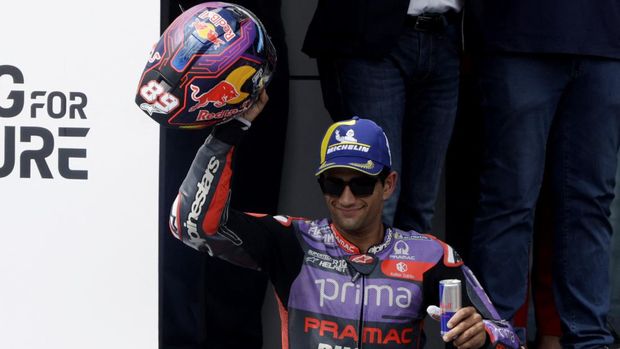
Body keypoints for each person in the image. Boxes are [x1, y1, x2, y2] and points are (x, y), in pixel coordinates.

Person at [168, 91, 519, 349]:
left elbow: (509, 340)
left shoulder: (431, 258)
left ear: (388, 185)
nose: (346, 198)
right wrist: (230, 131)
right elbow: (191, 226)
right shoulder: (293, 242)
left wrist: (483, 337)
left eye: (362, 183)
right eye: (333, 184)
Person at [464, 1, 620, 347]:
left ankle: (590, 339)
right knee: (510, 201)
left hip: (605, 39)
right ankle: (498, 337)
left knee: (590, 204)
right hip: (517, 36)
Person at [303, 0, 462, 233]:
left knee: (420, 207)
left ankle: (405, 270)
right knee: (373, 196)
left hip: (446, 34)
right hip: (369, 32)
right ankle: (365, 270)